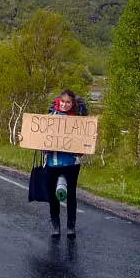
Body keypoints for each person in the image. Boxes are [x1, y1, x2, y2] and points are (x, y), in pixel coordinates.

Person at [44, 89, 87, 238]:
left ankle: (71, 226)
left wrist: (91, 138)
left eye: (68, 102)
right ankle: (55, 225)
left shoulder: (78, 120)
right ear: (58, 102)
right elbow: (40, 135)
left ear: (72, 103)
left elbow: (85, 138)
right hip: (52, 162)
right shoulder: (50, 117)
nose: (64, 104)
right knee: (52, 195)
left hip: (71, 164)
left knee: (71, 195)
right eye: (62, 101)